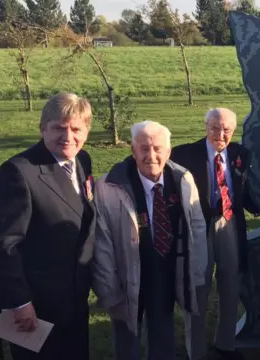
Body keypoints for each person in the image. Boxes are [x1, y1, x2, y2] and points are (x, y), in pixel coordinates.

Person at [0, 93, 96, 360]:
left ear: (86, 131)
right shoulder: (18, 173)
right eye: (59, 127)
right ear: (43, 129)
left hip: (74, 298)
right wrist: (19, 303)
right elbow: (2, 246)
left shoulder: (82, 161)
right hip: (35, 307)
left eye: (76, 129)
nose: (68, 136)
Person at [91, 121, 208, 360]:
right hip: (125, 275)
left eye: (157, 149)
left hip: (164, 271)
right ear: (133, 151)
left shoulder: (183, 179)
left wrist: (196, 271)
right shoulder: (108, 187)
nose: (151, 156)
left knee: (163, 331)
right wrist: (109, 290)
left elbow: (197, 227)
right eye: (143, 149)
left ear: (168, 151)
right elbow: (102, 243)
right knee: (126, 336)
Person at [170, 108, 259, 360]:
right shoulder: (183, 154)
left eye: (227, 129)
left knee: (232, 283)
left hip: (229, 223)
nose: (221, 134)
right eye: (215, 128)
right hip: (198, 225)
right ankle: (195, 351)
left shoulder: (240, 154)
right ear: (206, 126)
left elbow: (244, 190)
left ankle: (226, 344)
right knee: (199, 286)